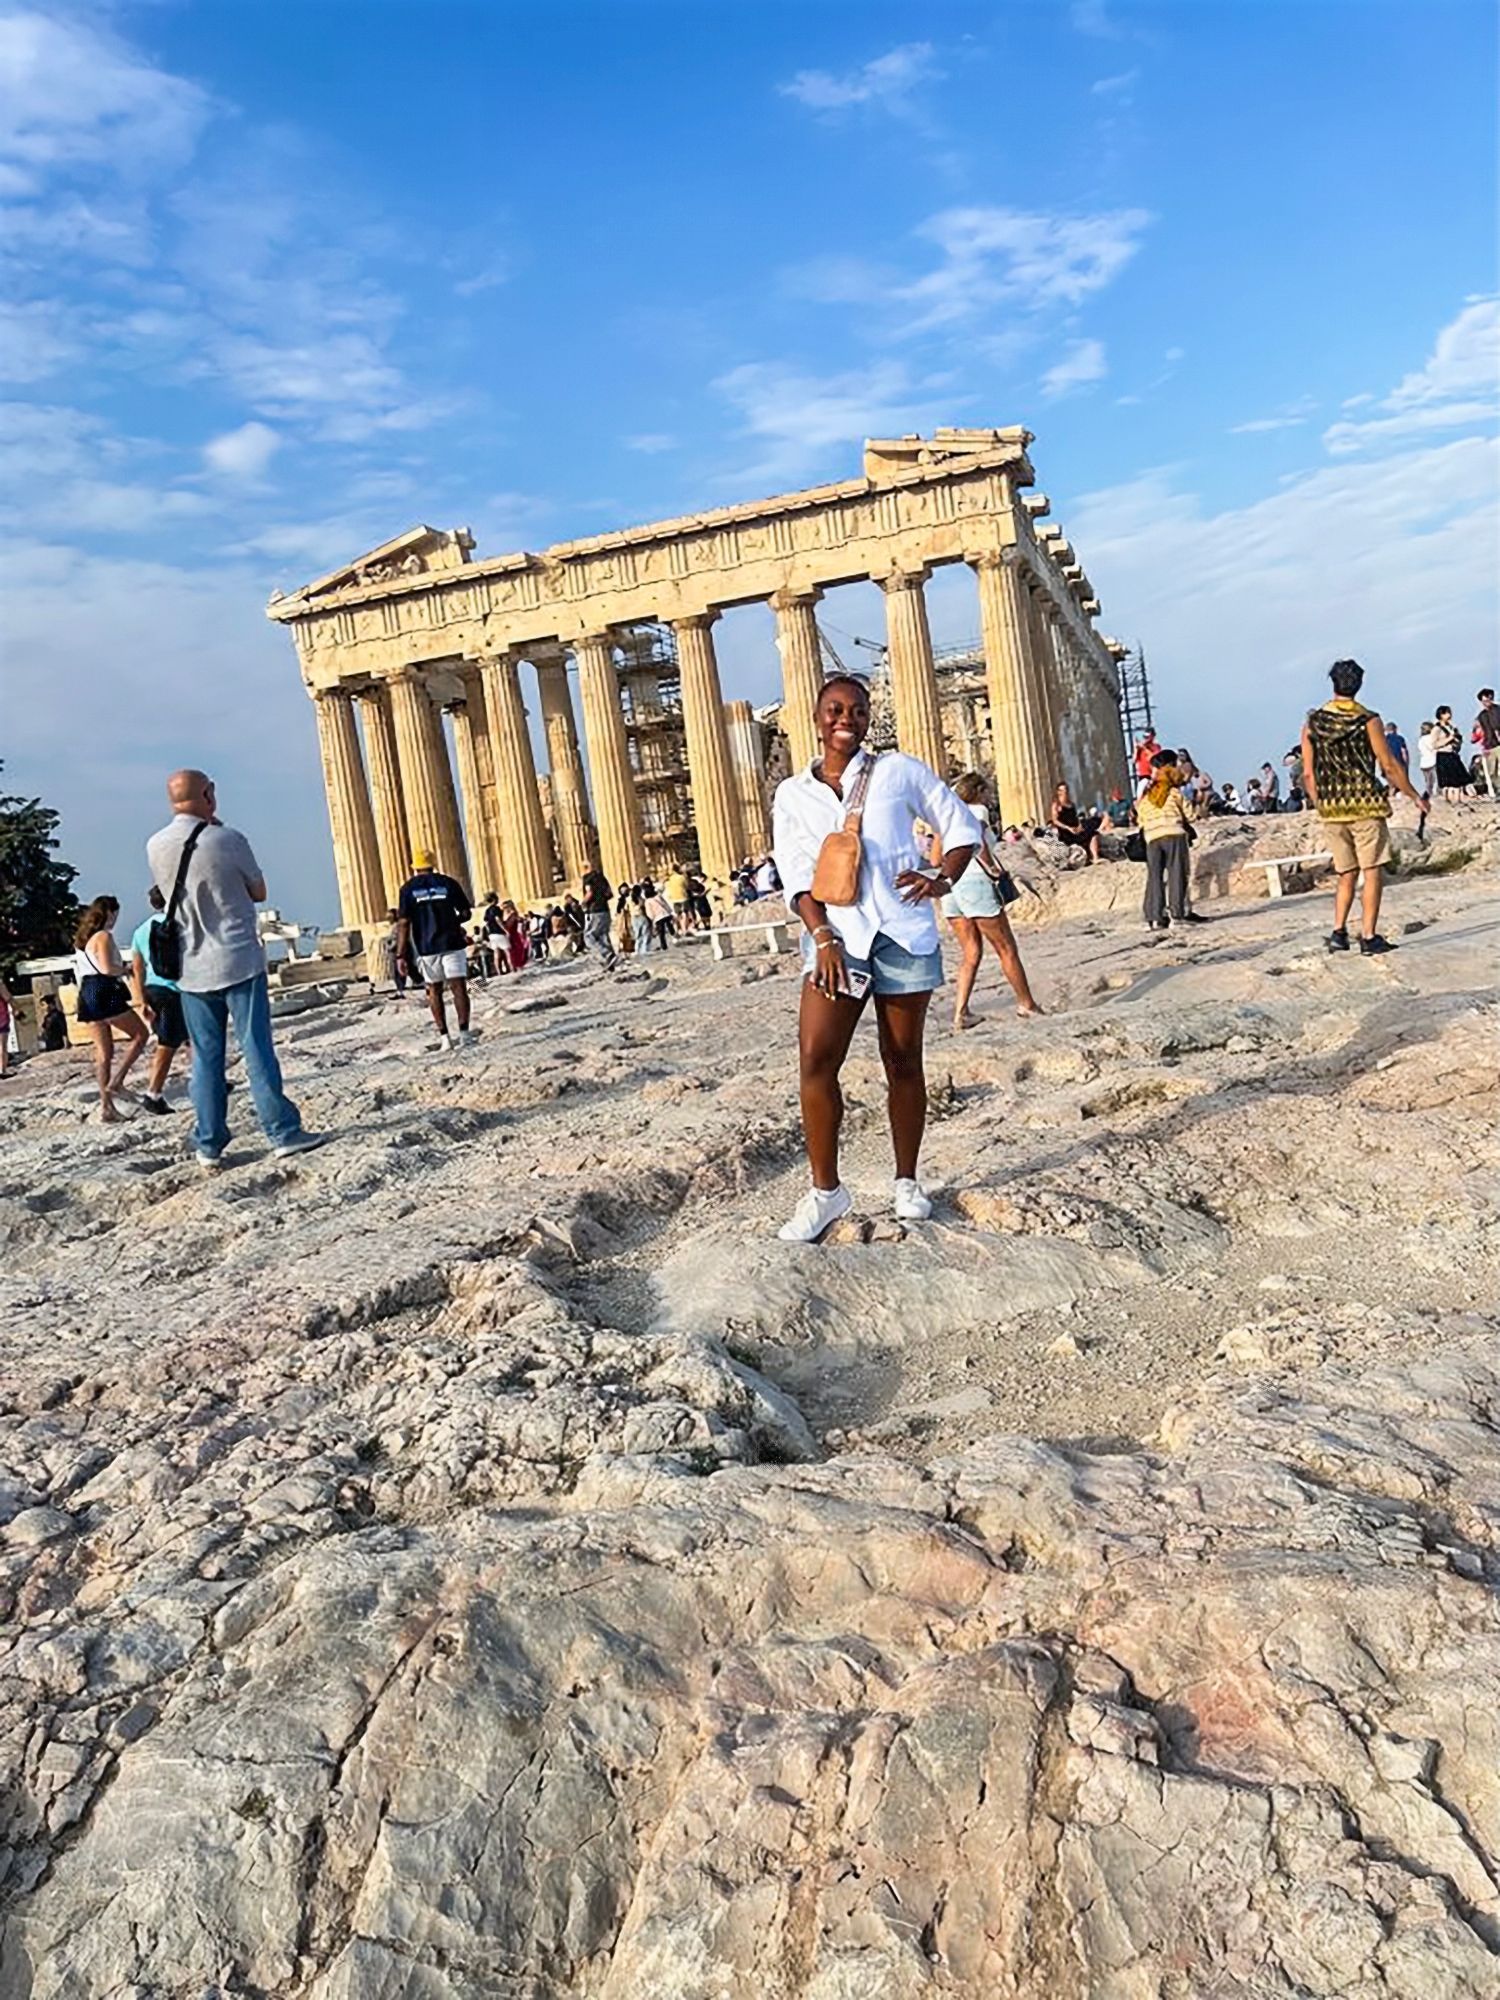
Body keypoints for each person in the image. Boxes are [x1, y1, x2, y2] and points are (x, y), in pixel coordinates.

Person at [771, 674, 975, 1242]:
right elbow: (795, 873)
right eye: (835, 709)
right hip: (838, 939)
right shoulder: (793, 795)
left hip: (904, 935)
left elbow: (960, 826)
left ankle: (907, 1181)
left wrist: (942, 876)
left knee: (904, 1059)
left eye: (857, 711)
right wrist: (822, 938)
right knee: (816, 1059)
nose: (847, 719)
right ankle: (826, 1192)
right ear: (816, 718)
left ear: (867, 718)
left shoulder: (898, 771)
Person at [147, 771, 323, 1167]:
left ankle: (208, 1143)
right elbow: (259, 891)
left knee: (205, 1058)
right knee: (256, 1048)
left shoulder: (155, 845)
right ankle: (283, 1132)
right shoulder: (228, 839)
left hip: (190, 965)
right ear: (208, 795)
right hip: (238, 957)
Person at [1301, 659, 1427, 956]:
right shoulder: (1369, 719)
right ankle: (1369, 936)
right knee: (1371, 872)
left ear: (1332, 682)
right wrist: (1413, 795)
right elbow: (1387, 765)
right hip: (1365, 804)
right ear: (1359, 684)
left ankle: (1338, 931)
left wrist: (1321, 803)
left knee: (1346, 873)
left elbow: (1308, 773)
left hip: (1333, 807)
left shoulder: (1313, 723)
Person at [942, 773, 1041, 1029]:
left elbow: (933, 858)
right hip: (975, 883)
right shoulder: (978, 811)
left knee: (970, 952)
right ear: (977, 792)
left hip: (950, 886)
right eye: (986, 791)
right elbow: (976, 841)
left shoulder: (946, 818)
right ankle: (1027, 1004)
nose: (989, 796)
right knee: (1006, 948)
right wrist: (991, 867)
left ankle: (960, 1013)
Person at [70, 896, 149, 1121]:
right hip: (103, 989)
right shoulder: (103, 936)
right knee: (140, 1034)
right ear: (110, 913)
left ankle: (107, 1107)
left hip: (87, 991)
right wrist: (125, 970)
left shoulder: (82, 940)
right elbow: (106, 968)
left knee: (103, 1053)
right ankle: (117, 1081)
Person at [395, 851, 475, 1050]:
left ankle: (445, 1038)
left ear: (415, 868)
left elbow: (404, 923)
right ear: (433, 864)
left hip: (426, 947)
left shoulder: (407, 889)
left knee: (434, 991)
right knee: (459, 988)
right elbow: (466, 912)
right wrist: (453, 922)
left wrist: (401, 954)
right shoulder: (448, 883)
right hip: (452, 942)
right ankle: (464, 1033)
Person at [129, 886, 190, 1114]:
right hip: (176, 988)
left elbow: (137, 968)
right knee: (168, 1042)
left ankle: (209, 1078)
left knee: (190, 1037)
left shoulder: (140, 931)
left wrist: (141, 1000)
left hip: (154, 989)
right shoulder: (179, 924)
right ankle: (153, 1093)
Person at [1137, 753, 1203, 932]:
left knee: (1155, 878)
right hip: (1173, 834)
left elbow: (1140, 821)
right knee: (1176, 875)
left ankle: (1155, 918)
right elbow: (1190, 816)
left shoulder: (1147, 798)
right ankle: (1177, 916)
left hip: (1152, 839)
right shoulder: (1174, 793)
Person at [1049, 782, 1102, 862]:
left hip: (1075, 829)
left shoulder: (1071, 804)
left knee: (1093, 833)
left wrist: (1079, 826)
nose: (1065, 792)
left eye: (1066, 789)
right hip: (1065, 832)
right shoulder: (1056, 805)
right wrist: (1068, 828)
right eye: (1062, 790)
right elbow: (1055, 821)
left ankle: (1095, 857)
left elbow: (1075, 817)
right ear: (1058, 792)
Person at [579, 866, 618, 970]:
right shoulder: (602, 878)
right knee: (603, 936)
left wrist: (583, 903)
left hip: (595, 911)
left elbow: (589, 892)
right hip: (605, 910)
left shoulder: (588, 879)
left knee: (589, 936)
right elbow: (609, 894)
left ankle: (607, 954)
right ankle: (610, 963)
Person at [1431, 707, 1472, 800]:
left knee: (1458, 780)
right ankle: (1449, 801)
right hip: (1443, 755)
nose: (1449, 715)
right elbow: (1434, 744)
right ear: (1441, 715)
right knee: (1447, 782)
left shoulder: (1452, 727)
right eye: (1446, 713)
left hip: (1453, 754)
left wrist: (1457, 742)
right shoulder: (1437, 729)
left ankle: (1458, 800)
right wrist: (1449, 739)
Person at [1474, 688, 1500, 797]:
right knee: (1491, 772)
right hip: (1489, 745)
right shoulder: (1481, 716)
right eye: (1484, 701)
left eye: (1489, 699)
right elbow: (1479, 732)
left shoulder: (1498, 710)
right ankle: (1498, 790)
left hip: (1498, 745)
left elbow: (1497, 728)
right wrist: (1482, 747)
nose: (1486, 702)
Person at [1416, 721, 1439, 799]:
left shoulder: (1421, 740)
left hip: (1424, 762)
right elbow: (1434, 747)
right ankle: (1433, 794)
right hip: (1433, 761)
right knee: (1434, 780)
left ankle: (1428, 794)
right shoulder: (1431, 738)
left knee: (1428, 781)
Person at [665, 865, 692, 931]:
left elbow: (667, 888)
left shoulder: (669, 879)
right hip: (683, 897)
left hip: (674, 899)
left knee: (678, 914)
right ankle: (685, 928)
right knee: (685, 913)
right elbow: (687, 886)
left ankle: (680, 927)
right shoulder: (682, 877)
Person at [630, 882, 654, 955]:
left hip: (634, 918)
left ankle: (637, 949)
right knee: (645, 933)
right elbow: (644, 909)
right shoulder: (641, 899)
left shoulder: (630, 900)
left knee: (638, 934)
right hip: (642, 916)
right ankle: (645, 949)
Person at [0, 974, 11, 1079]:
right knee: (2, 1046)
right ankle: (2, 1070)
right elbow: (8, 997)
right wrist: (17, 1009)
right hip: (1, 1019)